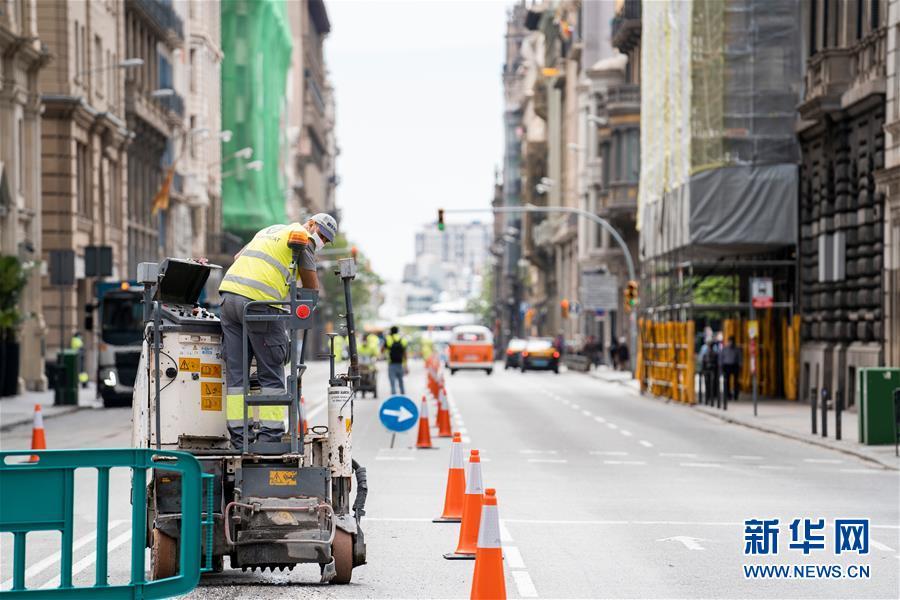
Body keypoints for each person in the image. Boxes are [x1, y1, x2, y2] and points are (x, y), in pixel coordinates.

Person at [218, 213, 337, 449]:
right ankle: (269, 437)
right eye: (321, 234)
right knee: (272, 370)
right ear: (311, 223)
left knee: (236, 374)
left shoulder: (271, 230)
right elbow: (312, 287)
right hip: (259, 304)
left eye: (325, 239)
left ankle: (240, 439)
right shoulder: (302, 238)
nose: (320, 240)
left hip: (228, 298)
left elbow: (238, 256)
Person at [384, 326, 408, 395]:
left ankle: (394, 398)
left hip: (391, 364)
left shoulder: (388, 338)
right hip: (400, 364)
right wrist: (406, 365)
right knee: (401, 382)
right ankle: (403, 397)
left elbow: (382, 350)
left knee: (392, 383)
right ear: (397, 331)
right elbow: (405, 353)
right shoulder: (402, 339)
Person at [719, 335, 742, 401]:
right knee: (727, 381)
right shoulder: (725, 348)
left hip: (735, 366)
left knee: (736, 382)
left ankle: (735, 395)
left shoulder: (737, 349)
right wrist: (721, 366)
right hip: (727, 366)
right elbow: (721, 358)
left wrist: (740, 366)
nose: (731, 343)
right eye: (730, 341)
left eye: (732, 341)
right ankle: (728, 395)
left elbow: (739, 358)